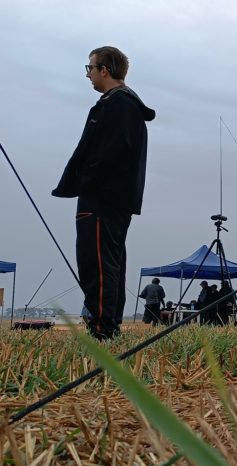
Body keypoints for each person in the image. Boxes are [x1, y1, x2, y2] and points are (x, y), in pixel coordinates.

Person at [51, 46, 156, 340]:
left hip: (102, 196)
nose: (88, 75)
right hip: (114, 197)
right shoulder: (123, 104)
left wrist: (84, 180)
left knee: (96, 261)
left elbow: (110, 152)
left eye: (90, 68)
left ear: (104, 71)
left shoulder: (116, 105)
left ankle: (102, 328)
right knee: (108, 261)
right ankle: (107, 326)